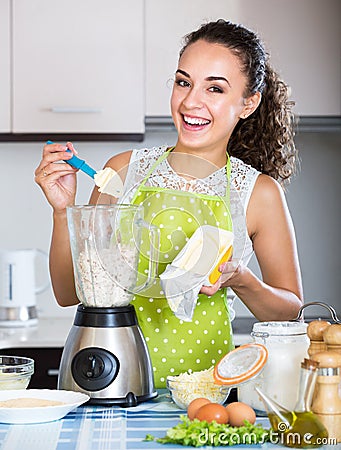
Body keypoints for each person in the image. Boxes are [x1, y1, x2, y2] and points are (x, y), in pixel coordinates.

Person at [35, 19, 303, 388]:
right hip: (115, 382)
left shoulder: (257, 192)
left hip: (205, 393)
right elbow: (69, 293)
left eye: (215, 89)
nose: (191, 101)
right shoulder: (123, 171)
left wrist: (242, 281)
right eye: (183, 82)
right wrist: (63, 211)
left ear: (248, 103)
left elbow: (290, 311)